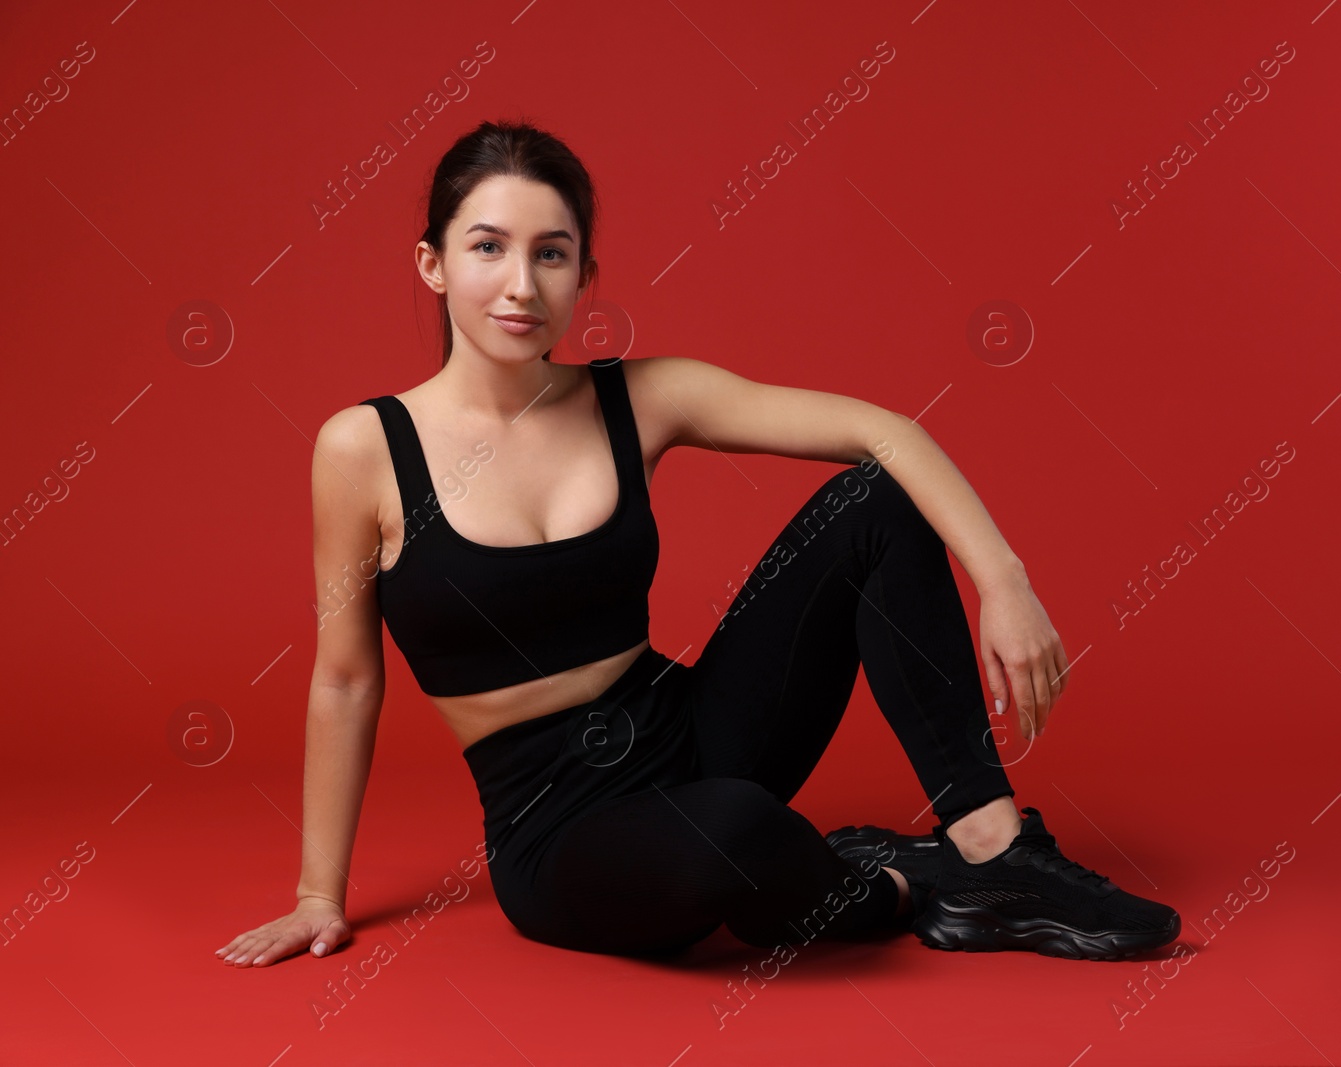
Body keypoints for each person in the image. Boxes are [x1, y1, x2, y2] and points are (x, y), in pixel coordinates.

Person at [216, 120, 1181, 968]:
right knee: (735, 830)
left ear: (585, 276)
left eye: (552, 255)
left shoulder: (640, 396)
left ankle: (992, 855)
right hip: (557, 825)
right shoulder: (362, 449)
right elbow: (346, 679)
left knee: (876, 505)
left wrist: (1003, 581)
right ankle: (891, 891)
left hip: (696, 727)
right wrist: (318, 896)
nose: (521, 285)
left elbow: (885, 430)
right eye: (487, 247)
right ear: (432, 264)